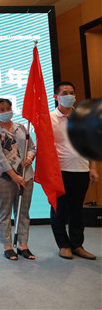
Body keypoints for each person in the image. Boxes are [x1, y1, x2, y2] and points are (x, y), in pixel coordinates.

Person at [50, 81, 99, 260]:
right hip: (60, 171)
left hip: (81, 170)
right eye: (64, 93)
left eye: (72, 92)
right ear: (56, 97)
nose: (69, 96)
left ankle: (77, 245)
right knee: (59, 210)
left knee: (77, 210)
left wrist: (93, 167)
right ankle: (63, 245)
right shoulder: (50, 118)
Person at [0, 98, 36, 261]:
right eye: (2, 109)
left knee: (23, 212)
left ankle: (23, 245)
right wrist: (15, 177)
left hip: (26, 176)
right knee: (4, 213)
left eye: (8, 108)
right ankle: (7, 246)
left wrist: (29, 157)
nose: (6, 112)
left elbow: (32, 147)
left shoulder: (21, 127)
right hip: (4, 178)